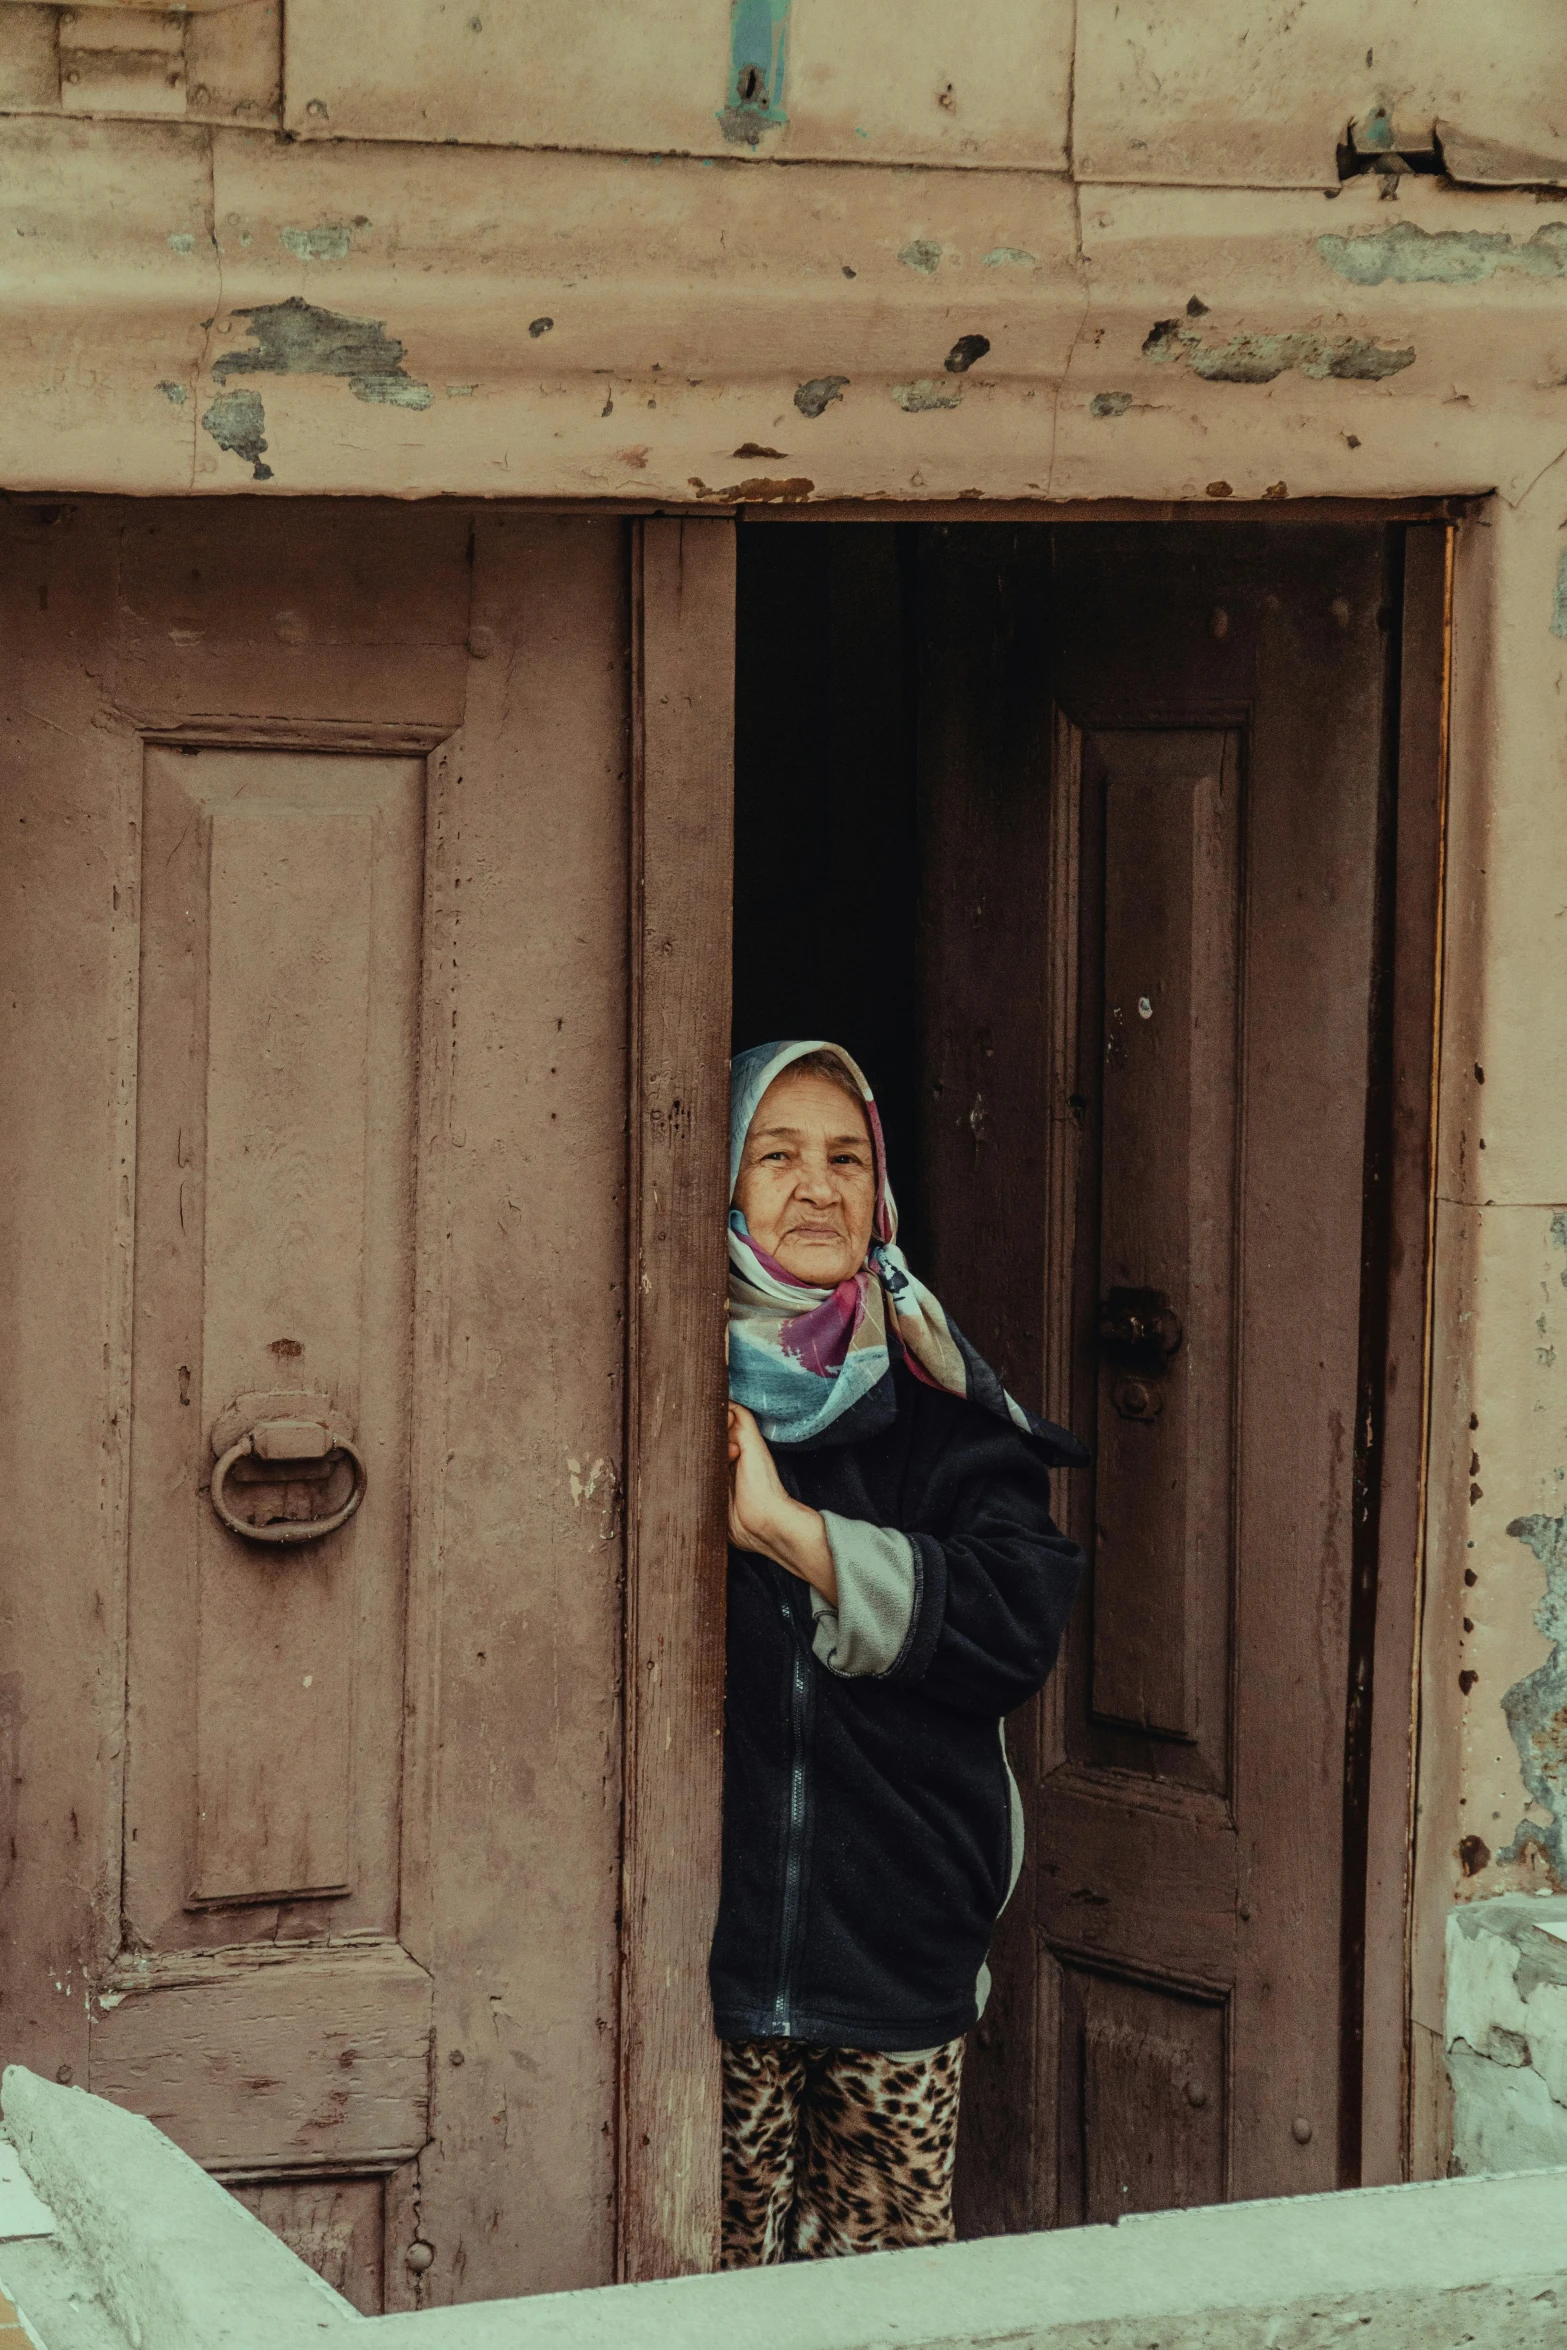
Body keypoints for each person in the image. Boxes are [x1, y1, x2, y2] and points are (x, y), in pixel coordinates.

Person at [713, 1038, 1087, 2267]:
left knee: (885, 2296)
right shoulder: (644, 1393)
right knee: (693, 2283)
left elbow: (1014, 1619)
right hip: (700, 1972)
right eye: (776, 1157)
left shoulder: (940, 1414)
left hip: (896, 1960)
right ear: (721, 1186)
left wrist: (791, 1532)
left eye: (845, 1158)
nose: (817, 1188)